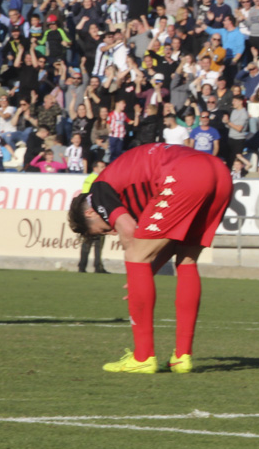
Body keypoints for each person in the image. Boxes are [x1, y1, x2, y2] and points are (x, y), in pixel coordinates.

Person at [67, 144, 234, 373]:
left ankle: (143, 357)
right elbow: (169, 244)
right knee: (186, 260)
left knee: (134, 254)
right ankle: (181, 357)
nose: (110, 232)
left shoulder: (98, 192)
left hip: (185, 173)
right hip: (220, 172)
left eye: (102, 230)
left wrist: (137, 271)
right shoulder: (129, 187)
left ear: (90, 213)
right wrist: (145, 272)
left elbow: (128, 229)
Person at [78, 160, 110, 274]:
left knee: (91, 242)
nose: (103, 169)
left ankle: (86, 266)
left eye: (104, 166)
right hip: (94, 215)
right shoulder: (94, 179)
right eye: (101, 167)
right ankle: (94, 266)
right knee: (95, 242)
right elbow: (87, 196)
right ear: (95, 168)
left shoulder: (94, 179)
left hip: (93, 214)